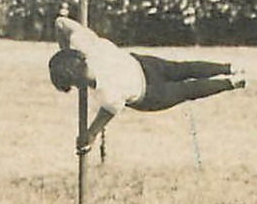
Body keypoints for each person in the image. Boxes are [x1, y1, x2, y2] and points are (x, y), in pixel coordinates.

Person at [48, 16, 245, 153]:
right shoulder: (89, 46)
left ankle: (231, 82)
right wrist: (64, 50)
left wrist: (89, 136)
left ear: (76, 80)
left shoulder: (107, 92)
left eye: (73, 85)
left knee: (188, 90)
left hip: (150, 95)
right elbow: (62, 23)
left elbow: (98, 126)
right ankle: (230, 69)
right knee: (185, 69)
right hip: (143, 65)